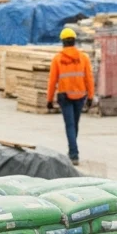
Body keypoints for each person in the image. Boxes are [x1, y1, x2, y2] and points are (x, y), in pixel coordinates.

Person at [46, 27, 94, 166]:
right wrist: (90, 96)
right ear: (74, 41)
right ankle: (72, 150)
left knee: (70, 125)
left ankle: (73, 154)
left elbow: (52, 81)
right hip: (80, 95)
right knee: (75, 124)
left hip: (64, 96)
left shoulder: (58, 59)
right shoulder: (83, 58)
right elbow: (89, 79)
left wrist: (49, 99)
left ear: (63, 42)